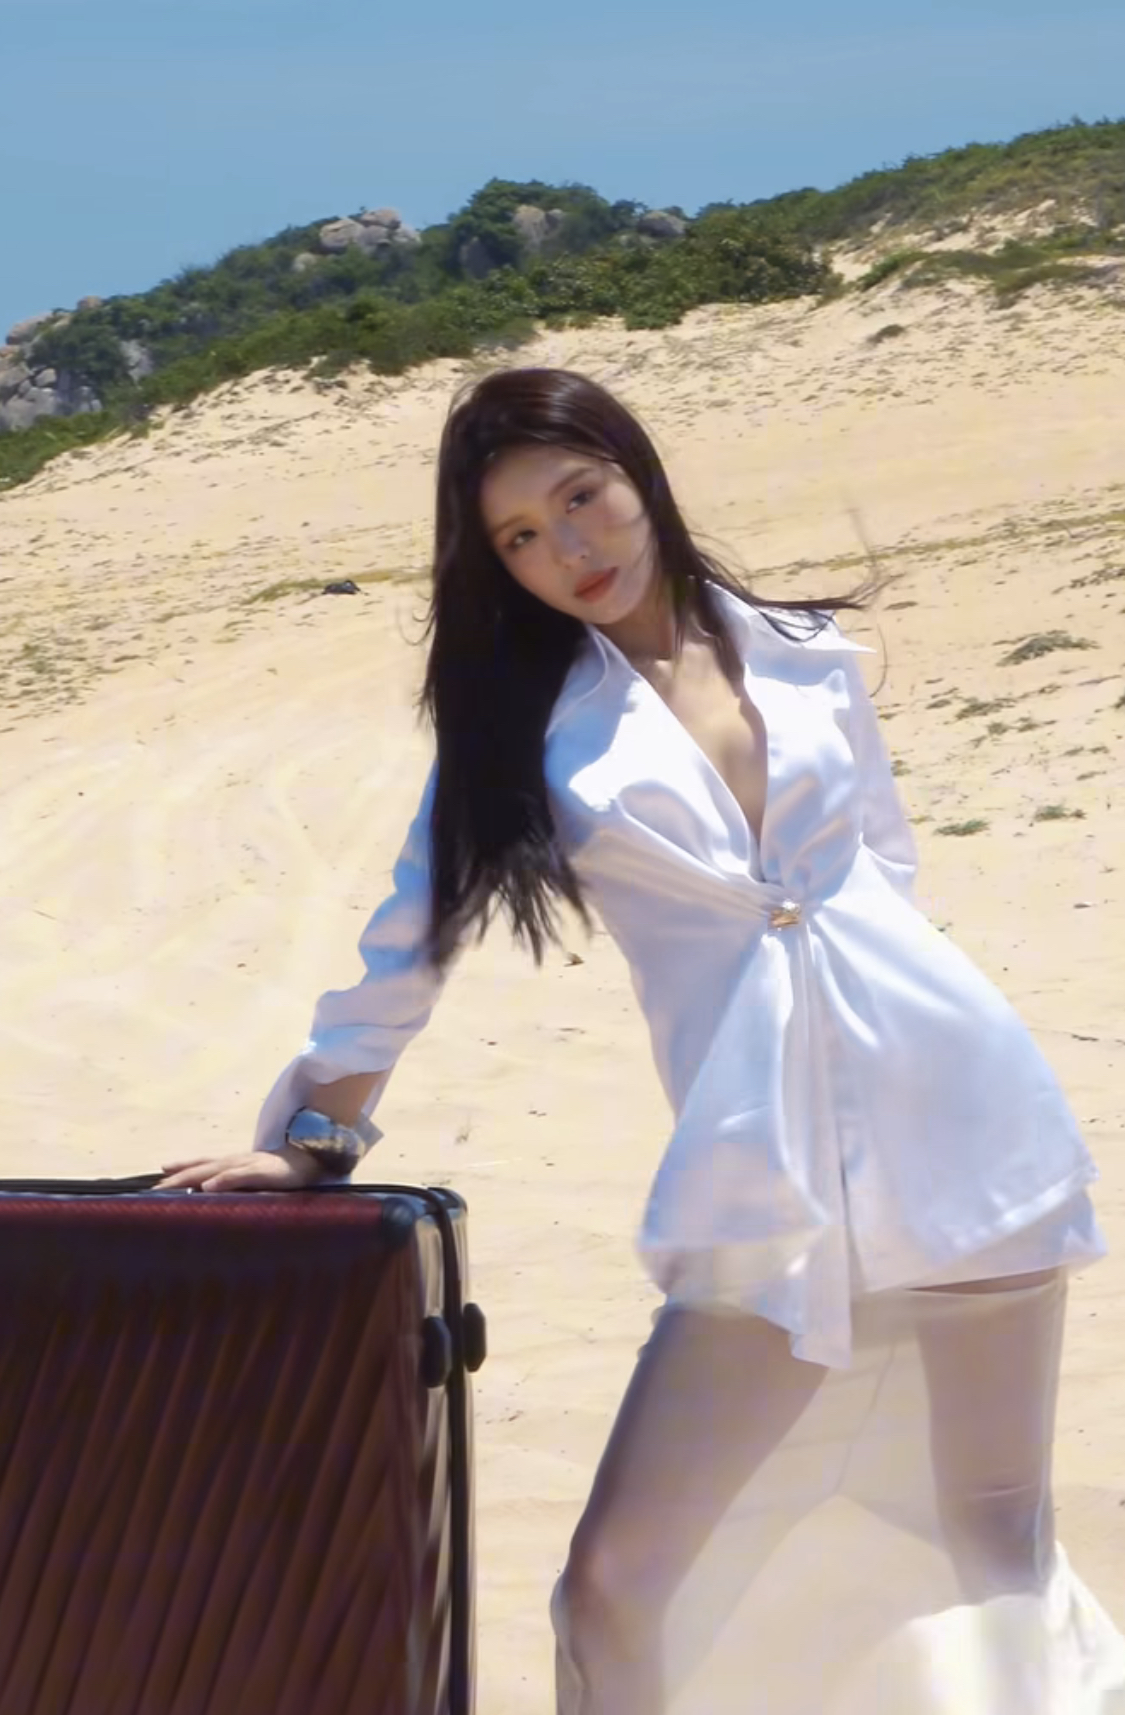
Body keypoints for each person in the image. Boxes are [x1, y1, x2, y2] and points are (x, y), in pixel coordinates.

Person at [161, 367, 1125, 1712]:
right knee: (617, 1582)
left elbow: (885, 878)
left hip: (966, 1126)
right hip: (762, 1181)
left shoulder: (805, 653)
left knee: (990, 1548)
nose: (570, 549)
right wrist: (316, 1137)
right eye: (520, 536)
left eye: (581, 497)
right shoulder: (523, 731)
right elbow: (408, 947)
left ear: (637, 475)